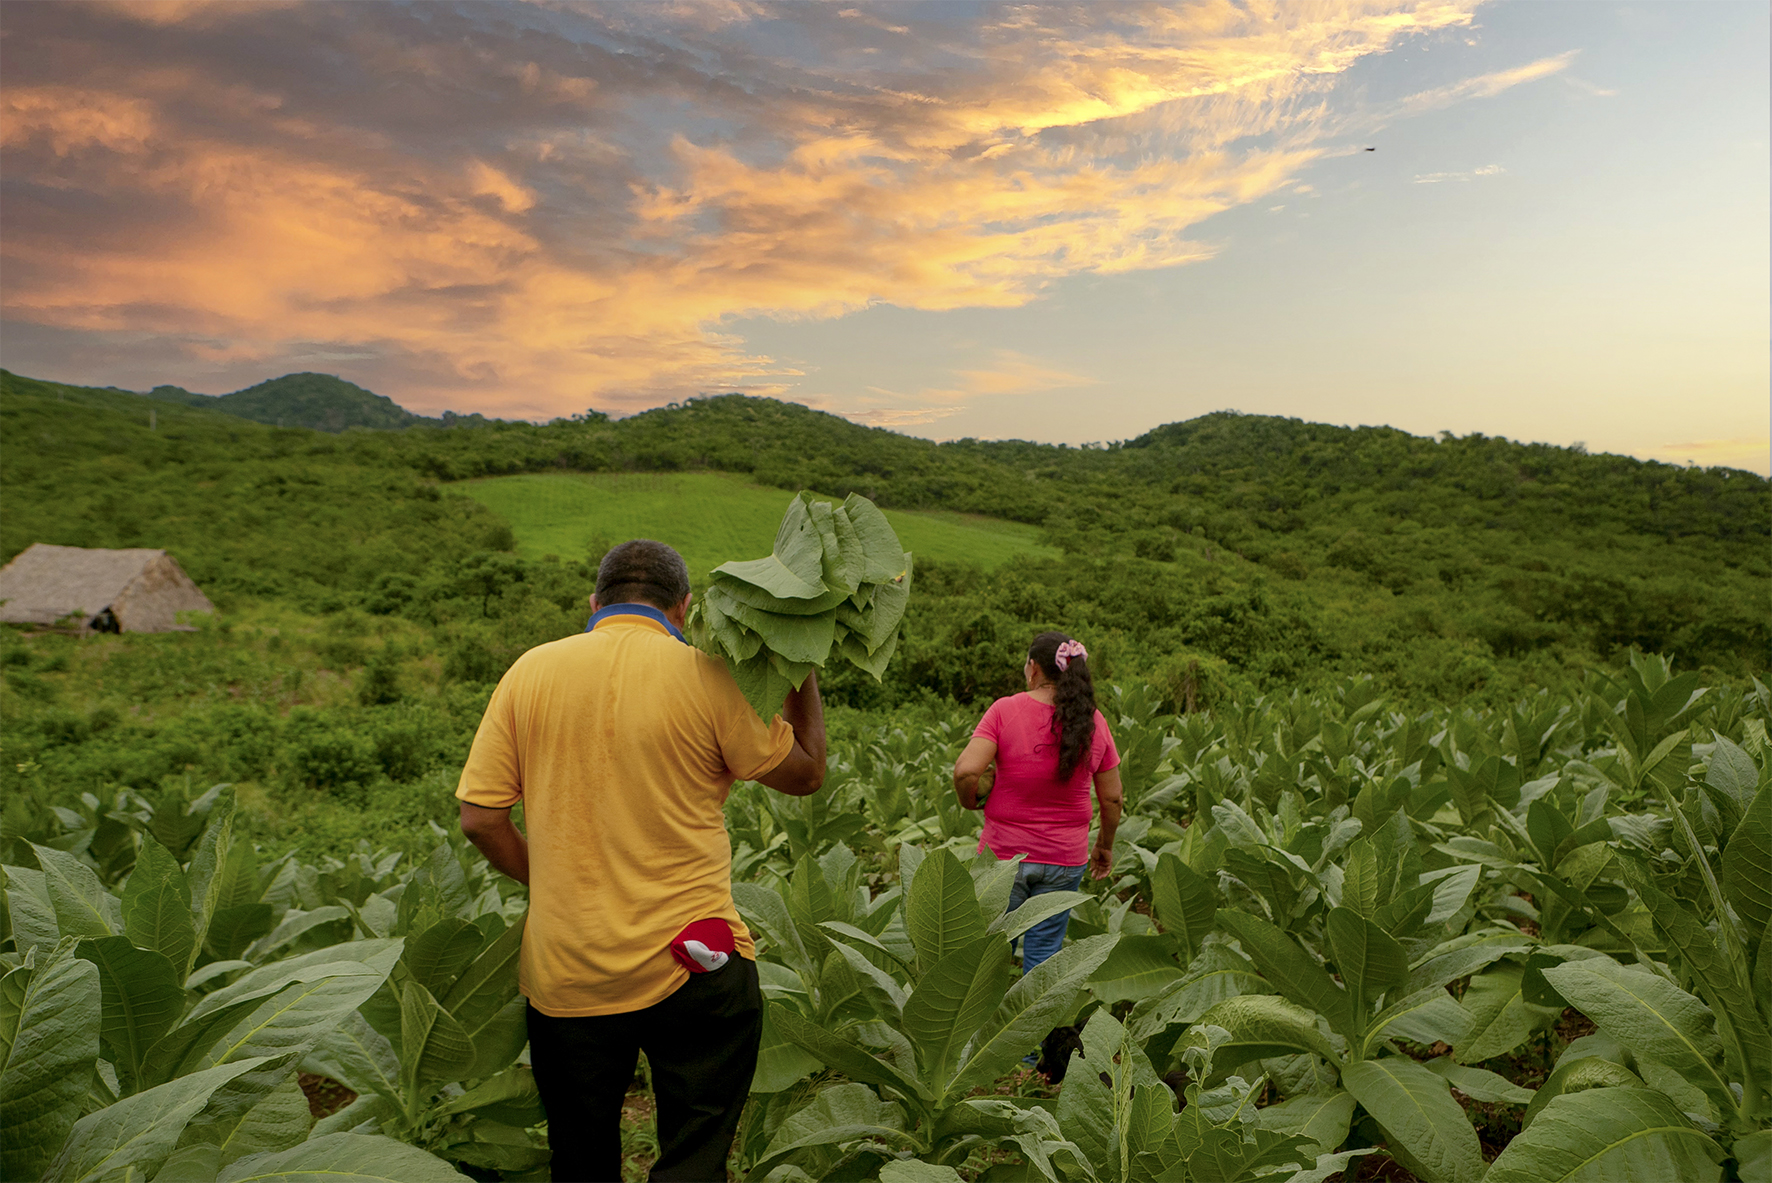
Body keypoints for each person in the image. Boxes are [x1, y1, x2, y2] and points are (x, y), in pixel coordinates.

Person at [456, 539, 826, 1183]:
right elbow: (805, 774)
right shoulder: (709, 673)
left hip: (569, 967)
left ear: (593, 604)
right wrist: (803, 667)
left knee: (580, 1158)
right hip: (694, 959)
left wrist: (549, 884)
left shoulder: (530, 670)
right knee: (695, 1155)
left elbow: (481, 818)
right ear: (683, 608)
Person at [952, 631, 1122, 978]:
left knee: (989, 954)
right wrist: (1104, 846)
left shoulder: (1005, 710)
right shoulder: (1095, 721)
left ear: (1033, 668)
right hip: (1064, 859)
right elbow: (1112, 797)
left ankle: (981, 1030)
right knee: (1044, 955)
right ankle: (1033, 1033)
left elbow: (967, 771)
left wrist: (971, 801)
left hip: (1003, 858)